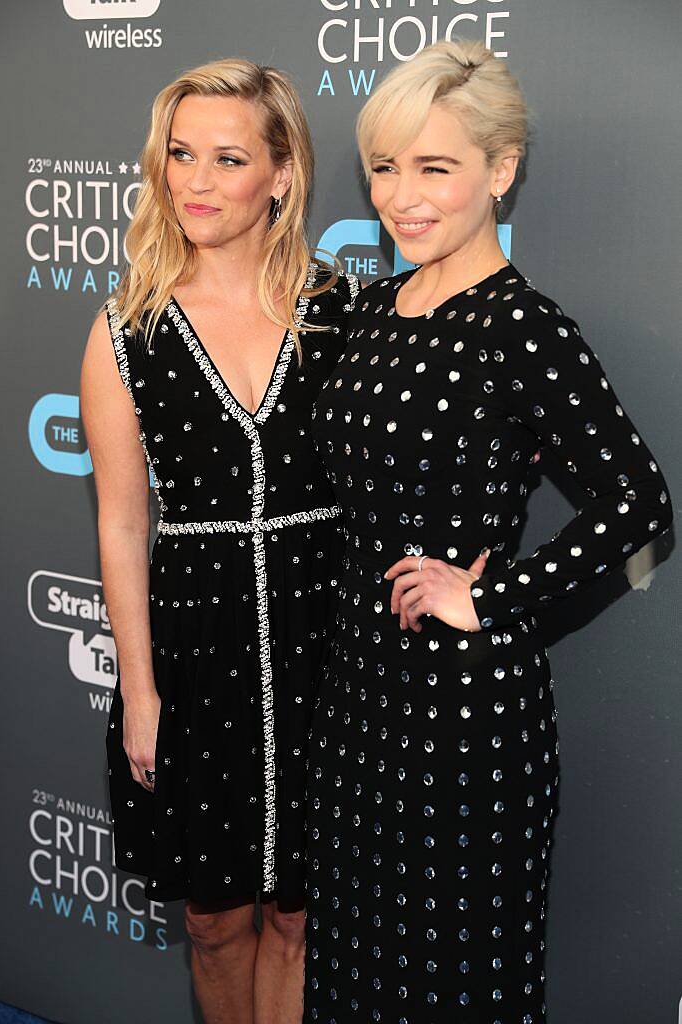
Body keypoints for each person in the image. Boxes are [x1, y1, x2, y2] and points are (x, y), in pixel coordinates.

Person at [303, 38, 673, 1022]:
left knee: (457, 985)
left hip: (464, 719)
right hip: (353, 706)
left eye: (435, 167)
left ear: (498, 171)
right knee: (349, 980)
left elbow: (640, 504)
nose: (401, 196)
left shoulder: (521, 327)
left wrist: (491, 593)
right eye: (384, 167)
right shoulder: (368, 310)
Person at [80, 58, 358, 1024]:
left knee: (297, 917)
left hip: (328, 645)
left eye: (227, 158)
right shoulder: (127, 326)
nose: (194, 181)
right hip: (196, 654)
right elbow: (120, 521)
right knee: (213, 922)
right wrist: (140, 691)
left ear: (281, 175)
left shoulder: (345, 315)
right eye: (179, 154)